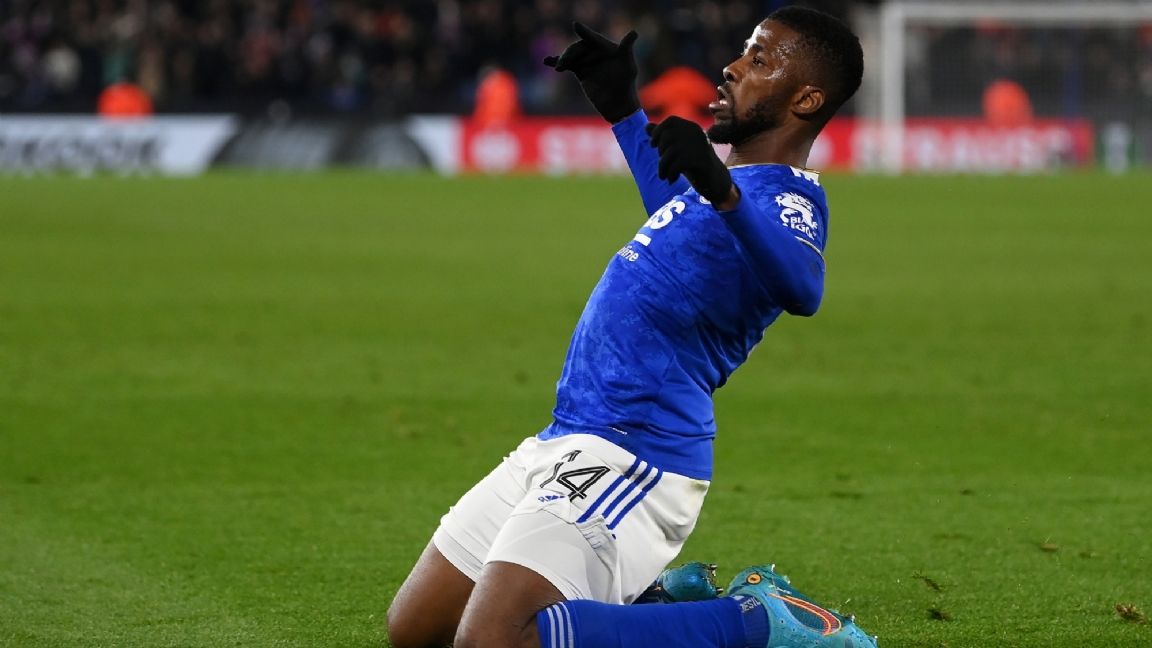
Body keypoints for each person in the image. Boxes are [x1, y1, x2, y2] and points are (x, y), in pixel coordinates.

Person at [387, 7, 873, 648]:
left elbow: (803, 288)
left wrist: (722, 190)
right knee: (416, 629)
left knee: (494, 641)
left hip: (637, 452)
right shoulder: (729, 189)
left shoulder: (788, 197)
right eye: (743, 51)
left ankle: (754, 622)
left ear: (806, 99)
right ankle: (654, 602)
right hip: (570, 431)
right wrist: (623, 110)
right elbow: (677, 208)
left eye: (759, 60)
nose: (732, 67)